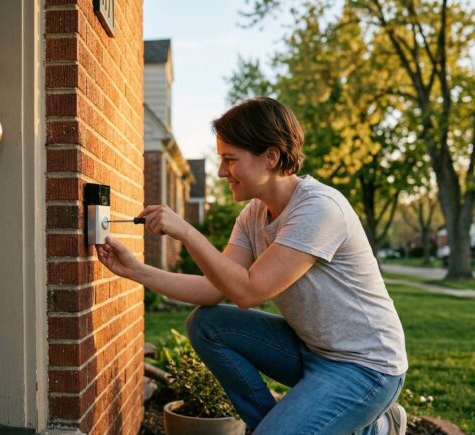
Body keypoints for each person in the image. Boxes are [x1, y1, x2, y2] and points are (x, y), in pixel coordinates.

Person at [96, 97, 408, 434]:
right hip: (311, 350)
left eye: (230, 160)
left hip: (366, 367)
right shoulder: (254, 214)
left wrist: (186, 231)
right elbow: (214, 289)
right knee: (208, 324)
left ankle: (378, 424)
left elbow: (248, 291)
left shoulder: (319, 209)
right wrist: (135, 270)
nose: (220, 172)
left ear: (271, 157)